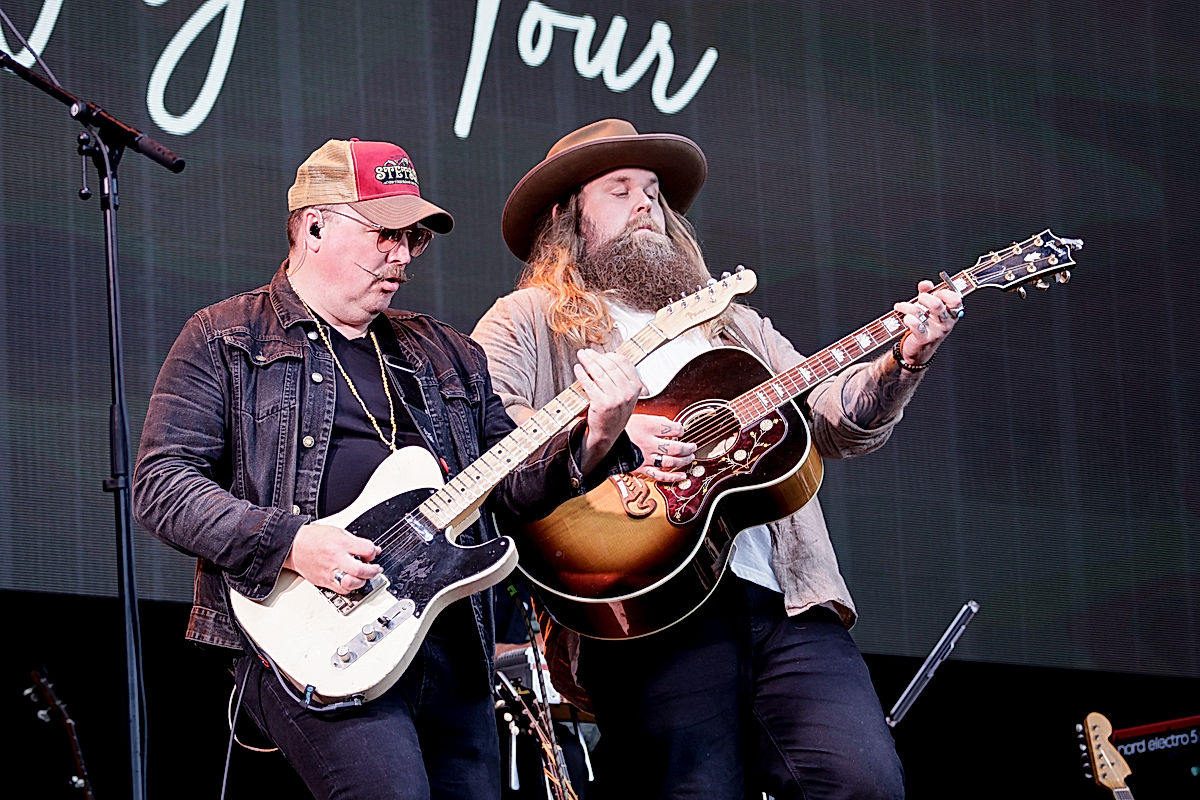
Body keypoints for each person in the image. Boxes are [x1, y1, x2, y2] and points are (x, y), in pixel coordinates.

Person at [133, 137, 644, 800]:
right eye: (385, 234)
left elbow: (512, 485)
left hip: (447, 638)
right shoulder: (225, 337)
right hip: (307, 631)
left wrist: (598, 434)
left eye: (414, 240)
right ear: (314, 226)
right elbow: (161, 482)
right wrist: (291, 542)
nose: (402, 256)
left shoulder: (444, 352)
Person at [469, 119, 966, 800]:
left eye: (654, 192)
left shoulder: (734, 323)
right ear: (567, 219)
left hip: (783, 597)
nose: (647, 204)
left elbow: (833, 418)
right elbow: (486, 434)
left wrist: (904, 359)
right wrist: (610, 436)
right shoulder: (526, 318)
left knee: (863, 781)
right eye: (620, 190)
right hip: (644, 595)